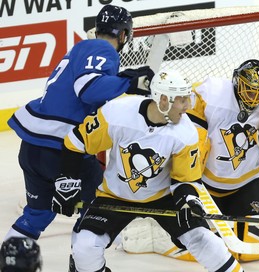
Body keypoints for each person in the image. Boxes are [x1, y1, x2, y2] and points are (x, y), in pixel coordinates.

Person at [2, 3, 154, 262]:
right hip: (61, 150)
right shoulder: (103, 48)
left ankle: (9, 264)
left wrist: (122, 83)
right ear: (123, 34)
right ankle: (83, 265)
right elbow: (89, 89)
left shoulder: (78, 50)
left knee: (38, 214)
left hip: (33, 149)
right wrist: (128, 82)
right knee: (99, 206)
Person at [56, 69, 244, 272]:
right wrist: (68, 185)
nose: (187, 106)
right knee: (85, 247)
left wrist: (189, 201)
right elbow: (75, 143)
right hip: (114, 196)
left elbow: (186, 180)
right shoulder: (116, 113)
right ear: (164, 100)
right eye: (182, 100)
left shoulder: (186, 132)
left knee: (206, 242)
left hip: (164, 196)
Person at [120, 59, 259, 262]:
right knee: (201, 245)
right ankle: (155, 234)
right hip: (205, 184)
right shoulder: (213, 94)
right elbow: (186, 124)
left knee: (245, 251)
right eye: (250, 92)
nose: (254, 99)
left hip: (246, 182)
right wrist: (192, 167)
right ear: (237, 83)